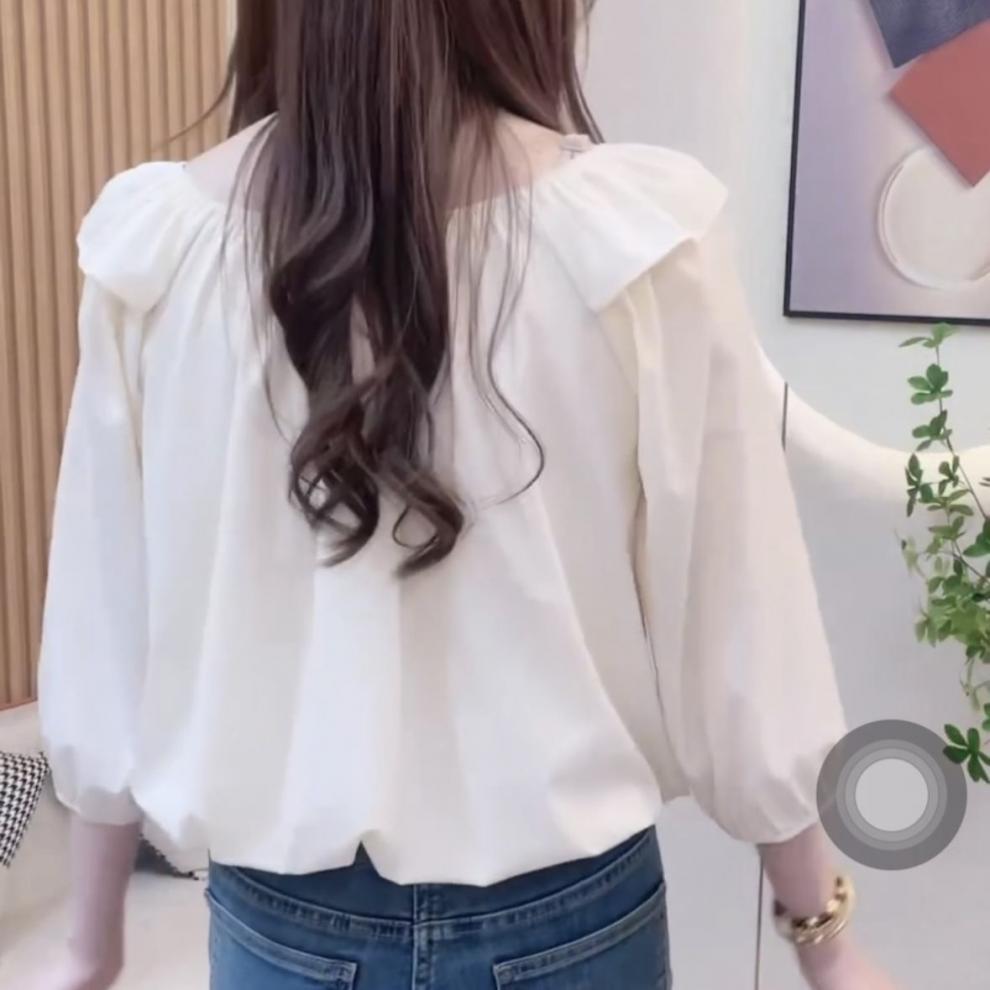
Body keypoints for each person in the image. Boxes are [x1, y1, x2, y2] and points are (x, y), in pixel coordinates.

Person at [31, 2, 901, 988]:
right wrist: (824, 935)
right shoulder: (633, 238)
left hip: (285, 927)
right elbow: (733, 617)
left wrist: (89, 940)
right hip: (571, 921)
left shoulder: (162, 246)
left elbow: (108, 625)